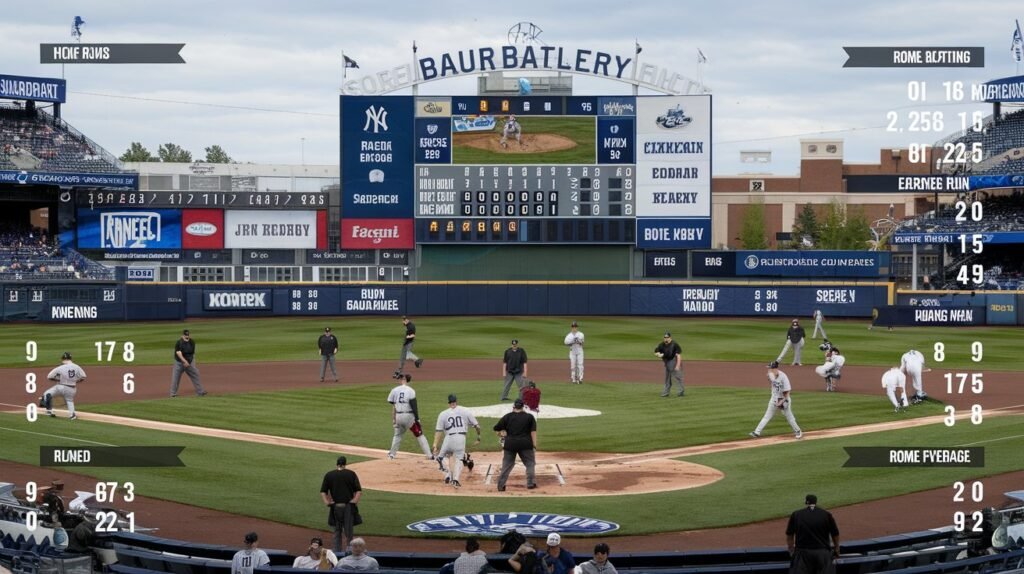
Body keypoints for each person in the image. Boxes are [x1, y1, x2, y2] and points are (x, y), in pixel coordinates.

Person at [432, 394, 481, 489]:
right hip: (460, 438)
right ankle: (455, 479)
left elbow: (438, 431)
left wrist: (435, 444)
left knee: (447, 456)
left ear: (449, 403)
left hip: (448, 439)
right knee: (459, 459)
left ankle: (448, 474)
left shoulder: (443, 414)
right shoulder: (465, 411)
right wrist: (478, 437)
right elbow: (477, 426)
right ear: (456, 402)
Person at [786, 494, 840, 574]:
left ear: (806, 502)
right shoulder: (826, 514)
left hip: (802, 554)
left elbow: (789, 534)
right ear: (816, 502)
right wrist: (837, 549)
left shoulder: (796, 514)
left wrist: (791, 551)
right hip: (823, 554)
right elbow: (835, 534)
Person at [493, 398, 538, 492]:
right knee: (530, 463)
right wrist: (534, 445)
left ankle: (501, 485)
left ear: (514, 407)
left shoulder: (507, 417)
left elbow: (496, 428)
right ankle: (530, 484)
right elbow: (533, 432)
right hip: (525, 444)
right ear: (523, 407)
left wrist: (501, 434)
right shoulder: (529, 417)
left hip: (510, 444)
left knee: (506, 465)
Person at [749, 362, 802, 440]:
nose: (768, 370)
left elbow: (787, 391)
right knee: (767, 416)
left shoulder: (783, 377)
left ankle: (798, 431)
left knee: (789, 416)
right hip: (774, 398)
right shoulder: (771, 375)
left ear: (775, 368)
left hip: (783, 399)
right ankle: (757, 432)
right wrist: (770, 376)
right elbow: (772, 380)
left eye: (770, 368)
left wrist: (782, 401)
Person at [320, 456, 362, 553]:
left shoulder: (329, 475)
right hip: (348, 507)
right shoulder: (351, 474)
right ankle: (350, 552)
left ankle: (336, 553)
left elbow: (323, 492)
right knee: (349, 532)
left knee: (337, 531)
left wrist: (327, 502)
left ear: (337, 464)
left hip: (335, 507)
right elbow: (358, 491)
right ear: (345, 464)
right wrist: (354, 501)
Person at [387, 374, 433, 460]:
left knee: (397, 435)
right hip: (408, 417)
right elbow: (414, 406)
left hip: (398, 417)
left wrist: (394, 419)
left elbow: (393, 405)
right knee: (419, 435)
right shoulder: (411, 390)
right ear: (409, 381)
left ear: (401, 380)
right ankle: (429, 455)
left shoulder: (394, 390)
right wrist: (417, 419)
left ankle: (391, 455)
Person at [40, 352, 86, 420]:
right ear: (71, 359)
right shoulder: (77, 367)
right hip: (72, 389)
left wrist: (57, 379)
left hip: (61, 387)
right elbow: (83, 376)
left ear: (63, 359)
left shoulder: (60, 367)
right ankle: (72, 415)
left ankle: (49, 411)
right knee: (70, 401)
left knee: (47, 394)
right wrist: (76, 381)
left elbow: (49, 376)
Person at [171, 329, 207, 397]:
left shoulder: (192, 342)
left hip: (189, 362)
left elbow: (191, 354)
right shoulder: (179, 343)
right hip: (179, 362)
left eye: (188, 335)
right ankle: (173, 394)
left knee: (195, 373)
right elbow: (179, 353)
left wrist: (189, 363)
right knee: (176, 378)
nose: (187, 337)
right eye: (185, 336)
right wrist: (184, 361)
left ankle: (200, 392)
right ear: (182, 336)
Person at [653, 332, 684, 397]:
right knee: (667, 378)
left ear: (670, 338)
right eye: (665, 338)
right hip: (667, 362)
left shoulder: (674, 344)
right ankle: (666, 393)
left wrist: (677, 365)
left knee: (677, 377)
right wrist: (658, 354)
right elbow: (656, 351)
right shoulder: (661, 344)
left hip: (673, 361)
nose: (666, 339)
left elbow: (678, 355)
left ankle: (680, 392)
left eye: (667, 337)